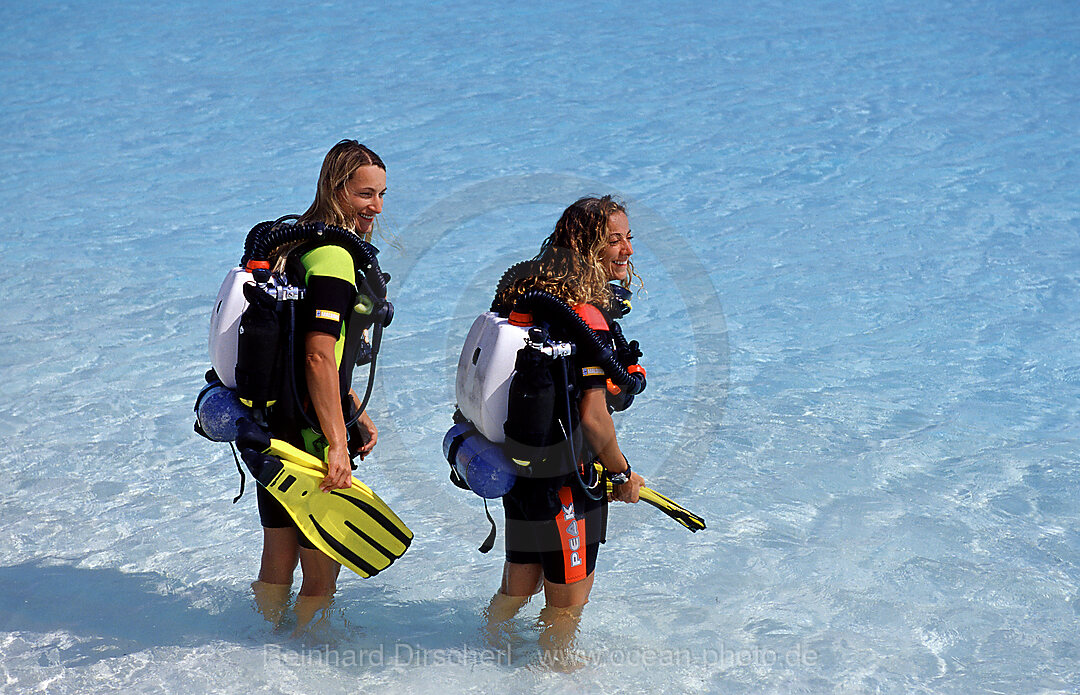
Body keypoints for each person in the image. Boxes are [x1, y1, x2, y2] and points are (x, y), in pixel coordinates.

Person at [485, 195, 647, 659]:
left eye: (629, 238)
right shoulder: (585, 316)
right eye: (615, 240)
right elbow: (594, 419)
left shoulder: (530, 297)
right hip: (567, 485)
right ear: (589, 246)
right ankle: (557, 679)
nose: (628, 251)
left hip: (524, 470)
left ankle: (483, 657)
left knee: (518, 589)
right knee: (566, 609)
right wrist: (621, 473)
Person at [250, 140, 386, 627]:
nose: (376, 207)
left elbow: (298, 347)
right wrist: (336, 443)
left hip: (271, 425)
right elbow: (316, 353)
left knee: (277, 560)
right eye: (365, 194)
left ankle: (261, 652)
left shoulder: (294, 245)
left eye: (382, 194)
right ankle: (309, 666)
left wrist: (353, 408)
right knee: (321, 576)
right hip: (309, 435)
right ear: (337, 187)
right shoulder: (334, 257)